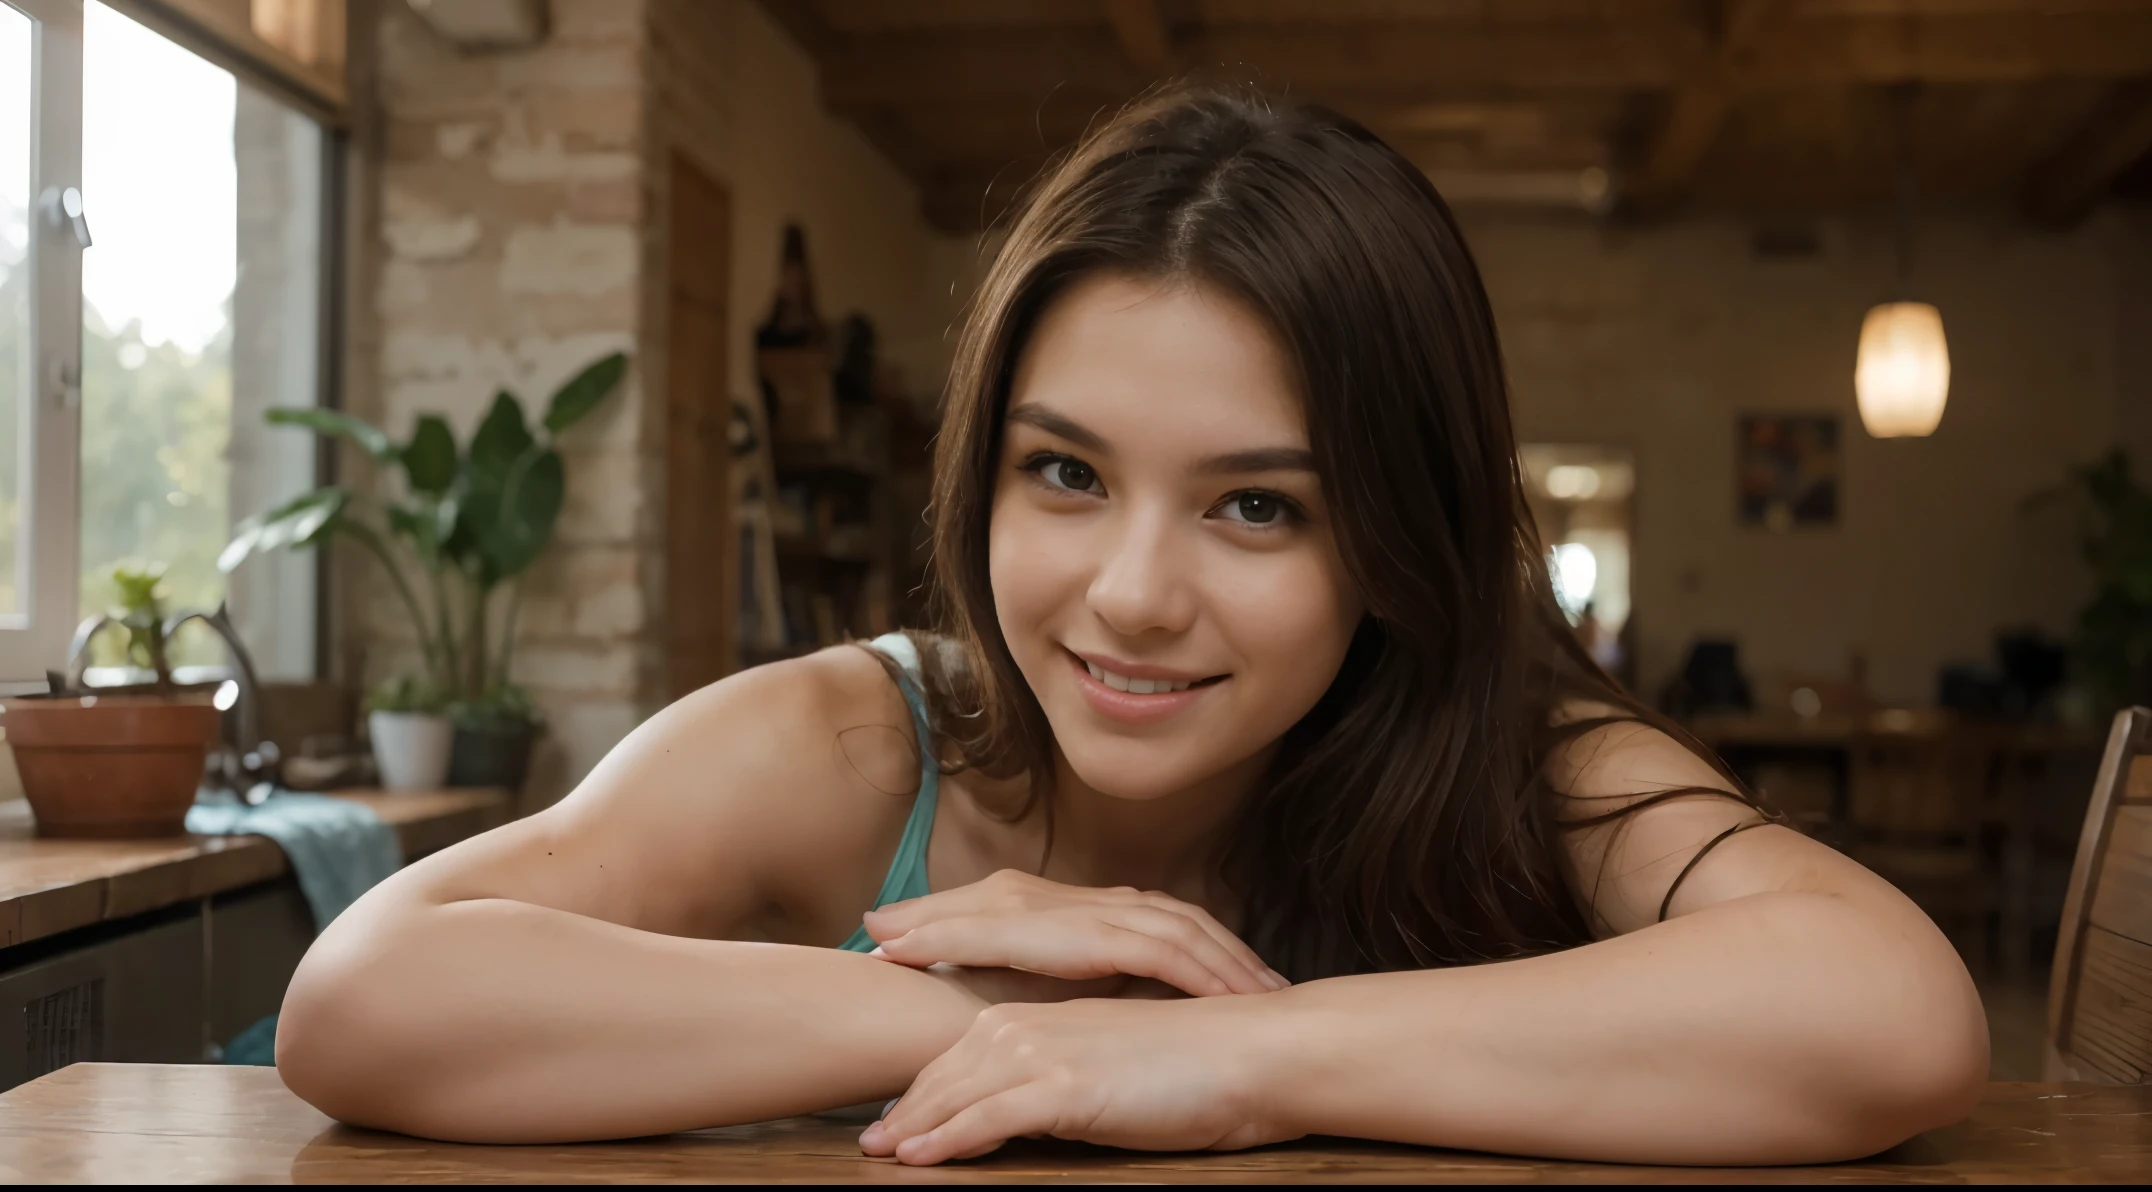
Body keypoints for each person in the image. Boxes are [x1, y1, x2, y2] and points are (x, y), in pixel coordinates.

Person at [276, 86, 1986, 1166]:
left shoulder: (1522, 759)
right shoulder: (868, 742)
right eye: (1068, 472)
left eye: (1259, 504)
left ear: (1398, 540)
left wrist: (1244, 1059)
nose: (1132, 593)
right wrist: (976, 1025)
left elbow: (1892, 1016)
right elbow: (363, 1001)